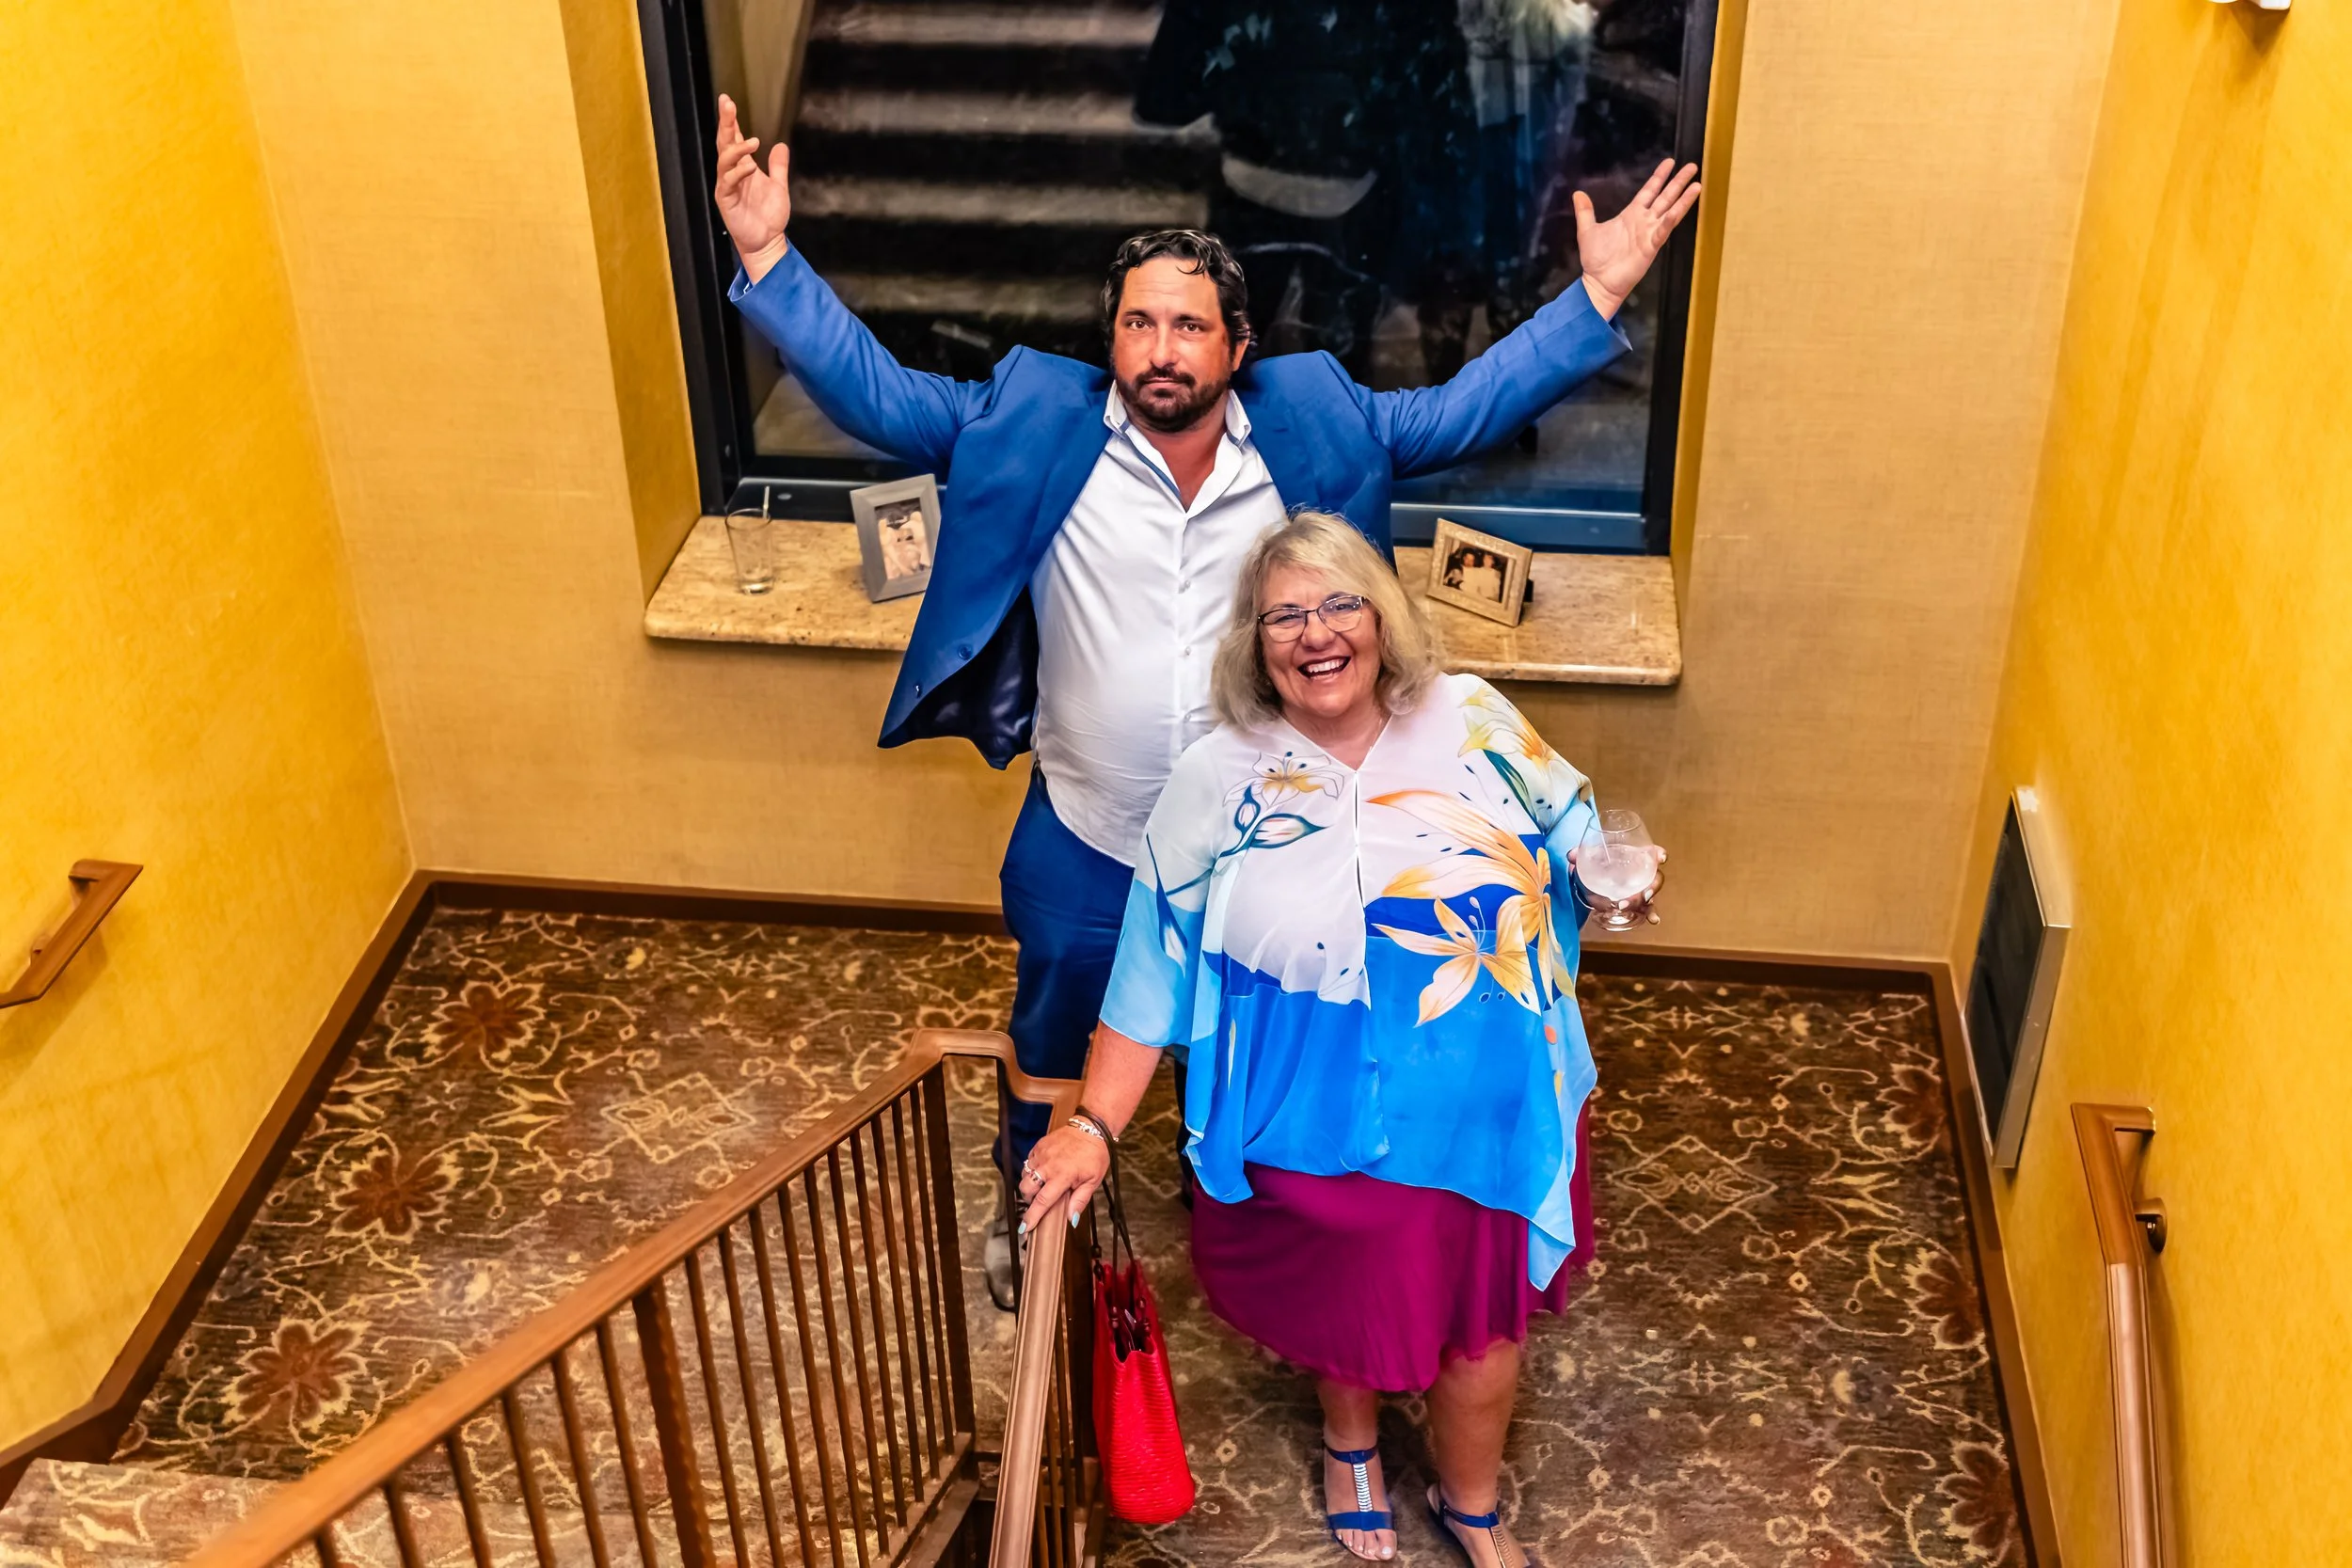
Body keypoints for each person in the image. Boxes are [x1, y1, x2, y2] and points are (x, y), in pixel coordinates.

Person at [710, 96, 1698, 1300]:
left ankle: (1224, 1193)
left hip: (1257, 834)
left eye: (1187, 326)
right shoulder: (1034, 419)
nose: (1159, 349)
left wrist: (1592, 297)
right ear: (1110, 338)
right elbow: (879, 398)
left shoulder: (1319, 424)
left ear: (1237, 346)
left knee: (1242, 1023)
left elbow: (1464, 408)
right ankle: (1031, 1212)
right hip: (1083, 834)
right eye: (1137, 323)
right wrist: (767, 253)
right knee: (1050, 1041)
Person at [1019, 512, 1662, 1565]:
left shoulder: (1473, 718)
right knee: (1342, 1291)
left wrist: (1619, 879)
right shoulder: (1218, 775)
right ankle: (1350, 1439)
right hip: (1303, 1115)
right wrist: (1093, 1120)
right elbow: (1152, 960)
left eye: (1338, 603)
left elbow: (1582, 832)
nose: (1315, 633)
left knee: (1484, 1323)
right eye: (1284, 615)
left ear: (1381, 617)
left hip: (1486, 1114)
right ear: (1253, 643)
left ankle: (1472, 1503)